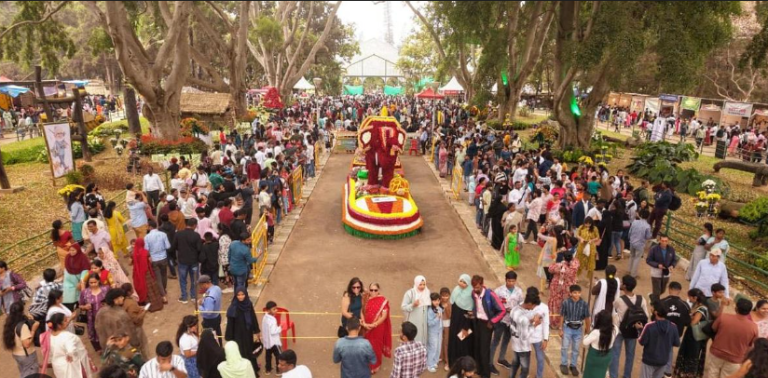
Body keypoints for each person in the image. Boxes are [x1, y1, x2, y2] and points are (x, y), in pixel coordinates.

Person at [705, 299, 758, 378]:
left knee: (711, 374)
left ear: (736, 308)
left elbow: (713, 328)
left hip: (716, 352)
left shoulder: (723, 317)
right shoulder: (753, 327)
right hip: (735, 358)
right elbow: (751, 344)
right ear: (749, 311)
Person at [610, 275, 649, 378]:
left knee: (615, 354)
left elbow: (613, 311)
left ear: (625, 286)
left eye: (622, 283)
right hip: (633, 332)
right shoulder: (642, 299)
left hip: (620, 331)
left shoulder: (620, 300)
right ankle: (627, 376)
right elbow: (646, 316)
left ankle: (614, 375)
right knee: (630, 355)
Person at [470, 275, 505, 378]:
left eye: (477, 287)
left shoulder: (490, 294)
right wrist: (474, 313)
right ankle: (479, 370)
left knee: (484, 350)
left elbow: (502, 310)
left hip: (487, 325)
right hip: (478, 322)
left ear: (482, 285)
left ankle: (486, 374)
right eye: (474, 287)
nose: (475, 289)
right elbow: (476, 305)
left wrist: (492, 321)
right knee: (477, 347)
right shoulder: (473, 293)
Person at [96, 288, 146, 357]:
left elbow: (99, 331)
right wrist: (136, 345)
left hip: (109, 348)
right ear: (115, 300)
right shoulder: (121, 314)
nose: (123, 298)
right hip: (123, 347)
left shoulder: (100, 312)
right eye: (120, 297)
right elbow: (130, 332)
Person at [491, 271, 523, 373]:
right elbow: (493, 304)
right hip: (501, 320)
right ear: (505, 280)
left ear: (515, 281)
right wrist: (503, 309)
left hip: (512, 321)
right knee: (495, 341)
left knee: (506, 340)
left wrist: (514, 310)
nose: (511, 283)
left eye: (513, 281)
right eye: (509, 281)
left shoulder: (519, 292)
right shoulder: (499, 291)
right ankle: (489, 363)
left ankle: (501, 358)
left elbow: (521, 306)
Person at [674, 289, 710, 378]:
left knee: (691, 353)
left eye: (690, 297)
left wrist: (687, 318)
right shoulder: (697, 305)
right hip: (692, 334)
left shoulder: (701, 309)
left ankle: (688, 373)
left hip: (694, 336)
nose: (688, 298)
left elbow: (694, 322)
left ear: (695, 297)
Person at [638, 301, 680, 378]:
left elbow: (641, 341)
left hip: (649, 360)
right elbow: (677, 343)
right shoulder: (673, 326)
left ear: (656, 312)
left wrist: (640, 330)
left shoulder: (649, 326)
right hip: (663, 361)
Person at [224, 287, 260, 374]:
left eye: (242, 294)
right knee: (241, 352)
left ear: (246, 294)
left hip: (248, 333)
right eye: (238, 295)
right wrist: (230, 337)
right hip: (238, 335)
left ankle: (252, 369)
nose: (240, 297)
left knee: (250, 349)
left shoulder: (248, 304)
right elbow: (230, 324)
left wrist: (256, 330)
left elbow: (253, 317)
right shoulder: (233, 307)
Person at [48, 312, 95, 378]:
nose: (67, 321)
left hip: (58, 366)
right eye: (65, 320)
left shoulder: (50, 336)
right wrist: (69, 355)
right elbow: (71, 350)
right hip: (70, 366)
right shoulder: (68, 336)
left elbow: (49, 353)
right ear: (59, 325)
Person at [3, 301, 40, 377]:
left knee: (24, 372)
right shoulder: (23, 326)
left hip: (17, 354)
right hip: (26, 355)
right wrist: (33, 330)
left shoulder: (10, 323)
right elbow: (26, 344)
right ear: (21, 312)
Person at [559, 285, 590, 376]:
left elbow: (587, 317)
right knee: (565, 347)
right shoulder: (565, 303)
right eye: (575, 293)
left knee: (576, 348)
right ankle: (564, 364)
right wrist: (560, 329)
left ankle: (573, 365)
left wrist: (587, 330)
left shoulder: (584, 304)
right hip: (567, 327)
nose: (577, 295)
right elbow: (562, 316)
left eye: (579, 293)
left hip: (578, 329)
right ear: (570, 293)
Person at [362, 282, 392, 375]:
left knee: (376, 346)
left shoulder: (382, 300)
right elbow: (361, 311)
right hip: (366, 327)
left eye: (375, 290)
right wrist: (365, 324)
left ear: (378, 290)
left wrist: (375, 324)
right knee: (367, 346)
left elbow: (384, 315)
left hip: (378, 328)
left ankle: (376, 365)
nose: (373, 292)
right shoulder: (365, 299)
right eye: (371, 290)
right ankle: (367, 364)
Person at [173, 218, 203, 304]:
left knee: (182, 279)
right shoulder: (196, 235)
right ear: (194, 225)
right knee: (194, 279)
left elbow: (174, 246)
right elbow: (199, 248)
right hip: (194, 261)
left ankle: (184, 296)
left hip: (182, 260)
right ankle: (193, 296)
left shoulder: (178, 234)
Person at [509, 293, 539, 378]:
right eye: (533, 306)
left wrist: (530, 321)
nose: (533, 308)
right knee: (525, 369)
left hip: (515, 342)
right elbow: (525, 336)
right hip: (523, 347)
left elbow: (518, 324)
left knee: (515, 363)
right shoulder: (524, 319)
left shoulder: (514, 309)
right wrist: (534, 325)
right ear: (529, 304)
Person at [582, 310, 619, 378]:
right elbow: (614, 326)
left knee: (590, 375)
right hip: (607, 355)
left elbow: (585, 342)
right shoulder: (615, 329)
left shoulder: (596, 332)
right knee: (601, 373)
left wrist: (586, 334)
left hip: (594, 357)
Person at [548, 252, 580, 329]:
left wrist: (556, 260)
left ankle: (555, 323)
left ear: (563, 258)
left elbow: (550, 269)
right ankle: (567, 321)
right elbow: (576, 262)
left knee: (556, 303)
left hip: (557, 287)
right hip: (569, 287)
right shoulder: (575, 264)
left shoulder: (559, 266)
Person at [448, 274, 474, 365]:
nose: (462, 284)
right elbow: (452, 304)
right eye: (461, 281)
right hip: (455, 321)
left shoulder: (470, 294)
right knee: (453, 340)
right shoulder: (456, 289)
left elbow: (470, 313)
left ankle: (462, 364)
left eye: (465, 283)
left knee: (462, 342)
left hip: (464, 323)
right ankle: (452, 362)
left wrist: (466, 327)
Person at [79, 273, 109, 351]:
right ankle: (98, 349)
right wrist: (85, 307)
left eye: (95, 282)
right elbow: (80, 305)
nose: (93, 285)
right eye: (90, 283)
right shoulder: (85, 292)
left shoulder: (105, 289)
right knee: (93, 333)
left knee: (107, 332)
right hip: (91, 319)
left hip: (105, 317)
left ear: (99, 281)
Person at [145, 220, 172, 296]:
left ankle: (162, 293)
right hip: (163, 257)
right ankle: (164, 289)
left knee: (158, 277)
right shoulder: (163, 234)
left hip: (154, 259)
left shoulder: (147, 237)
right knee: (164, 274)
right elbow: (168, 246)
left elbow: (146, 250)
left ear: (150, 227)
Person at [401, 275, 430, 345]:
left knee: (423, 341)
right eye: (420, 284)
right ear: (416, 283)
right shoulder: (410, 293)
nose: (422, 286)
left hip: (423, 325)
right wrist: (413, 305)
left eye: (424, 284)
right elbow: (403, 307)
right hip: (413, 323)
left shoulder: (427, 292)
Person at [646, 234, 677, 299]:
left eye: (666, 241)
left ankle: (652, 296)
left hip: (666, 273)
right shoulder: (654, 249)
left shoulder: (671, 249)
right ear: (659, 241)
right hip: (656, 273)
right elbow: (648, 260)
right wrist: (657, 265)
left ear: (668, 241)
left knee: (662, 290)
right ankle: (655, 305)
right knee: (657, 292)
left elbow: (674, 260)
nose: (664, 242)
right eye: (662, 241)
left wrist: (672, 265)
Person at [63, 243, 90, 308]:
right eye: (70, 250)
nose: (71, 252)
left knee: (78, 294)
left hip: (78, 279)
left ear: (78, 250)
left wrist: (81, 281)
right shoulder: (68, 257)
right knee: (68, 293)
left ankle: (79, 305)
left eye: (73, 250)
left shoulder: (82, 257)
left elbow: (85, 270)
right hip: (69, 280)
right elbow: (66, 268)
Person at [197, 275, 223, 342]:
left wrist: (199, 306)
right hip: (217, 316)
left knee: (211, 339)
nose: (200, 287)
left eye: (201, 285)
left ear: (205, 284)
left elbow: (208, 312)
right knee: (218, 334)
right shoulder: (217, 288)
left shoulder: (209, 297)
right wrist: (203, 301)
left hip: (210, 321)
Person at [627, 209, 652, 278]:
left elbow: (630, 232)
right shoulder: (647, 226)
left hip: (632, 242)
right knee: (637, 258)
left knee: (632, 255)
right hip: (640, 244)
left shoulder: (634, 222)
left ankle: (629, 270)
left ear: (640, 215)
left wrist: (630, 239)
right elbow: (648, 236)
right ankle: (633, 274)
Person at [263, 301, 283, 375]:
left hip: (267, 342)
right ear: (268, 310)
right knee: (278, 356)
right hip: (274, 342)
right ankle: (278, 371)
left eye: (276, 308)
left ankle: (268, 370)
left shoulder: (265, 317)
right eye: (274, 309)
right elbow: (273, 331)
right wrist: (280, 327)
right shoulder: (272, 320)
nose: (276, 310)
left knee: (268, 356)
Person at [426, 292, 444, 373]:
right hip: (433, 332)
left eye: (438, 300)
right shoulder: (430, 311)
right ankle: (429, 364)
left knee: (438, 347)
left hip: (439, 331)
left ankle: (435, 361)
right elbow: (429, 323)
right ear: (431, 301)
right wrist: (437, 318)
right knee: (432, 347)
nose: (437, 302)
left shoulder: (439, 308)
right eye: (435, 300)